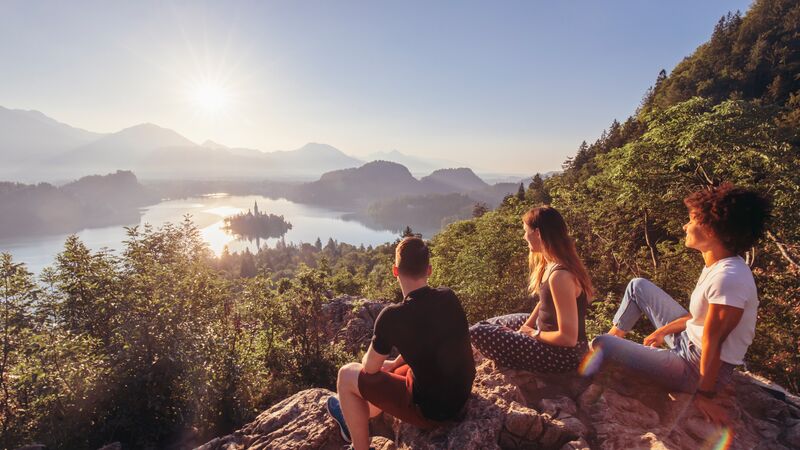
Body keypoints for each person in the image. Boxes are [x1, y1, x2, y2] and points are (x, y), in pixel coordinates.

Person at [589, 183, 770, 425]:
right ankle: (617, 337)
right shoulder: (718, 265)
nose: (685, 226)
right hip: (689, 343)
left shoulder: (729, 278)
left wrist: (705, 395)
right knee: (638, 286)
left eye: (692, 221)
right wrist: (663, 330)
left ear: (712, 230)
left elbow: (714, 342)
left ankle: (613, 348)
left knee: (600, 344)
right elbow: (699, 321)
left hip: (693, 369)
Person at [326, 237, 475, 450]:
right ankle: (354, 414)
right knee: (393, 368)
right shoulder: (448, 297)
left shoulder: (393, 317)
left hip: (433, 412)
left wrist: (379, 364)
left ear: (395, 271)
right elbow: (430, 344)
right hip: (460, 394)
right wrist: (395, 363)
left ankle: (357, 443)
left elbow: (369, 369)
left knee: (347, 375)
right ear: (429, 270)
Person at [469, 206, 594, 373]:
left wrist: (532, 334)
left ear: (538, 233)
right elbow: (545, 303)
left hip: (563, 355)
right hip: (546, 334)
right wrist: (525, 328)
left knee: (478, 332)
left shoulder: (561, 277)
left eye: (525, 231)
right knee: (488, 325)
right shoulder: (550, 263)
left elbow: (568, 338)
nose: (523, 237)